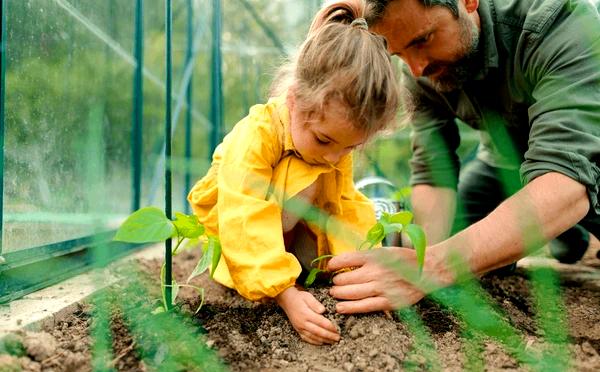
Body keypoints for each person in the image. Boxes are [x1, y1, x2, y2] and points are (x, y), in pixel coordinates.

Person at [326, 0, 600, 313]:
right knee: (460, 240)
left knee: (561, 202)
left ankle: (567, 226)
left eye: (422, 40)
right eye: (399, 54)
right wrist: (419, 261)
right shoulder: (420, 72)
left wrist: (434, 267)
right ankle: (566, 233)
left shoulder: (557, 21)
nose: (416, 69)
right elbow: (434, 171)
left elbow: (565, 179)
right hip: (505, 160)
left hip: (588, 158)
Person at [188, 1, 400, 344]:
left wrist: (355, 271)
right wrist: (285, 294)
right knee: (290, 182)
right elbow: (245, 214)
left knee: (348, 206)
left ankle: (368, 242)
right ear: (293, 100)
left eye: (349, 148)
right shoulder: (257, 135)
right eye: (324, 139)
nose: (334, 156)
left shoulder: (332, 149)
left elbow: (342, 208)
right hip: (240, 242)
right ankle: (276, 277)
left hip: (294, 236)